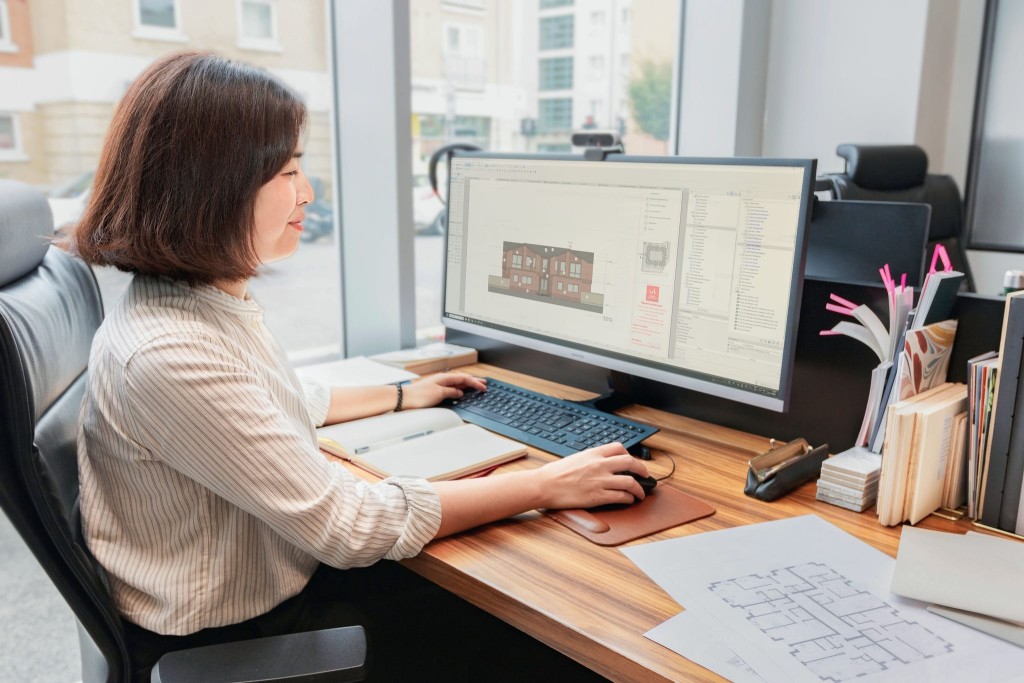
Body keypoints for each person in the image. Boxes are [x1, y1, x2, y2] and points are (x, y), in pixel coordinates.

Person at [67, 51, 650, 680]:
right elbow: (350, 526)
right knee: (556, 631)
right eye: (288, 171)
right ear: (212, 187)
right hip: (239, 630)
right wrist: (547, 484)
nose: (308, 192)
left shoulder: (193, 304)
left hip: (262, 583)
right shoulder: (168, 354)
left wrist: (403, 395)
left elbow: (269, 398)